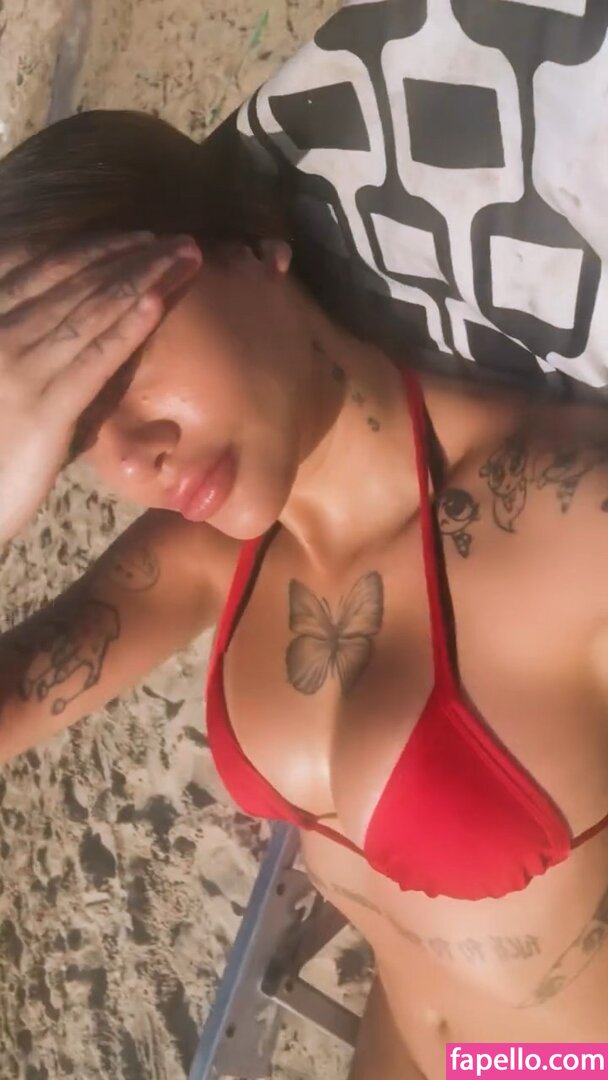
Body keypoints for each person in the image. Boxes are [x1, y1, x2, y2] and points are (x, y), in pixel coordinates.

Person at [0, 111, 607, 1080]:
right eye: (73, 434)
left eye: (121, 363)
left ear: (251, 248)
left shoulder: (562, 517)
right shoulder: (209, 554)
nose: (131, 459)